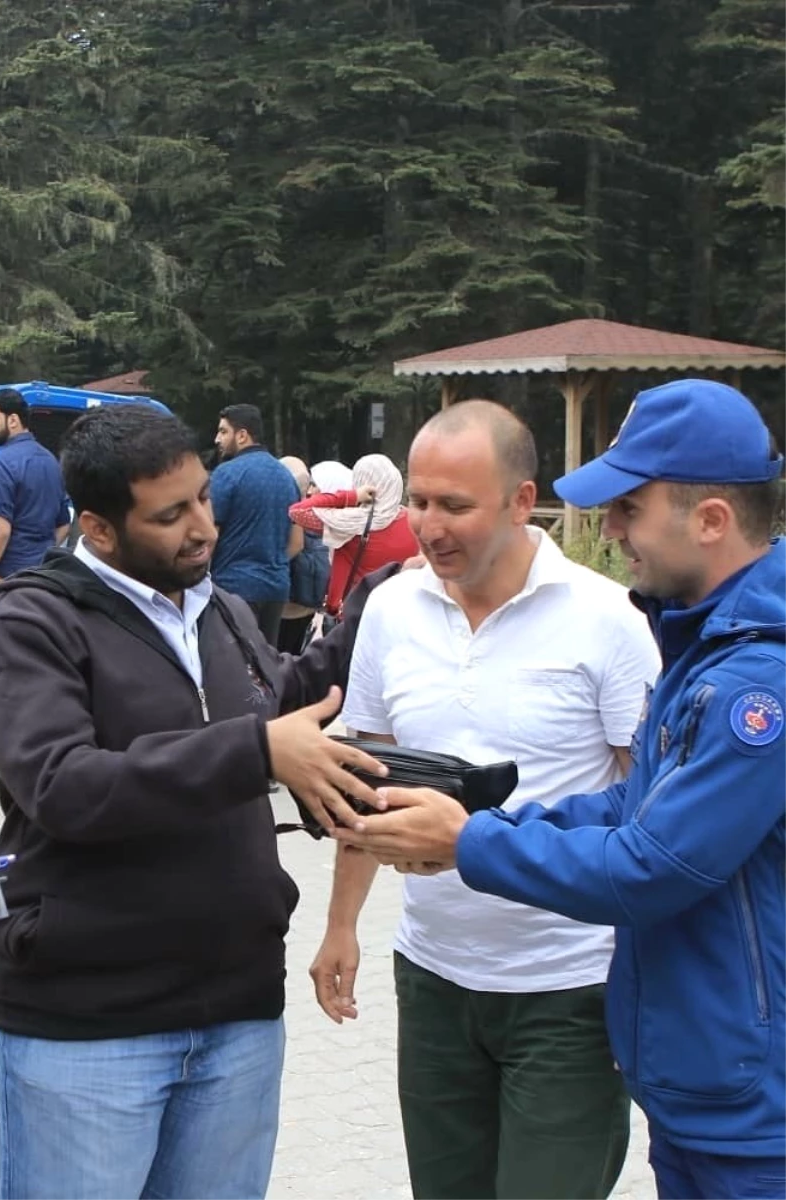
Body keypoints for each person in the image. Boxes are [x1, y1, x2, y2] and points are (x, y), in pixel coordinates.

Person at [335, 380, 786, 1200]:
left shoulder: (759, 681)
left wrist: (468, 843)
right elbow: (628, 806)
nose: (609, 531)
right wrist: (481, 825)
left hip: (750, 1096)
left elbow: (654, 866)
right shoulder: (705, 645)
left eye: (628, 509)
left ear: (711, 520)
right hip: (703, 1078)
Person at [0, 403, 398, 1200]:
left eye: (203, 497)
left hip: (238, 1009)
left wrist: (387, 592)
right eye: (171, 515)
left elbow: (289, 696)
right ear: (98, 529)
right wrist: (256, 749)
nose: (203, 526)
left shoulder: (221, 611)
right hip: (91, 1022)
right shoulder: (33, 619)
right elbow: (64, 785)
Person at [311, 400, 660, 1200]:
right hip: (433, 979)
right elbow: (371, 779)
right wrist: (340, 927)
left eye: (455, 506)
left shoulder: (606, 619)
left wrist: (650, 979)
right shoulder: (393, 609)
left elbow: (651, 811)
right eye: (421, 502)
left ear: (519, 499)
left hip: (570, 990)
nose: (431, 526)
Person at [0, 388, 71, 674]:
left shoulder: (1, 463)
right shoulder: (51, 462)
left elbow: (0, 530)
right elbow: (63, 524)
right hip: (41, 576)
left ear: (13, 421)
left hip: (5, 575)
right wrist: (39, 552)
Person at [209, 403, 302, 645]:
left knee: (234, 666)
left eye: (223, 431)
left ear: (242, 435)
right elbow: (296, 543)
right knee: (266, 665)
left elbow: (209, 536)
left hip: (232, 588)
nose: (216, 439)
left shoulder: (225, 474)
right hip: (276, 589)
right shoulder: (286, 477)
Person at [288, 453, 419, 618]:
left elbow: (297, 512)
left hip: (355, 617)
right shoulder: (414, 521)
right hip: (400, 614)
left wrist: (352, 496)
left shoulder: (348, 524)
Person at [278, 455, 329, 652]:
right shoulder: (315, 511)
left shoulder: (291, 511)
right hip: (307, 603)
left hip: (286, 606)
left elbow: (296, 545)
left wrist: (271, 564)